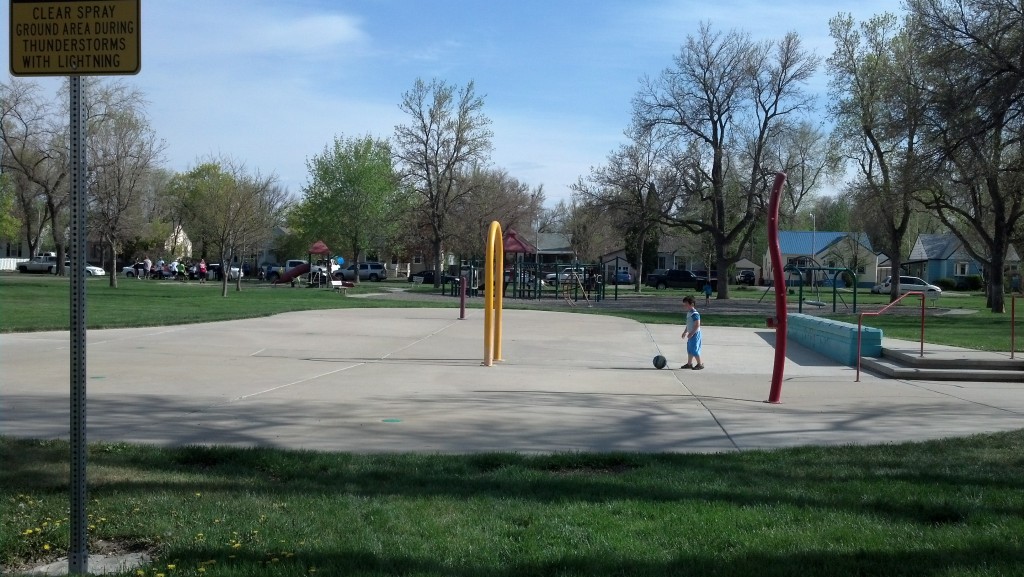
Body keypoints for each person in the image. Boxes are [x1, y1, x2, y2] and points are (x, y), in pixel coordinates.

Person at [680, 295, 704, 370]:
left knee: (694, 349)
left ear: (692, 304)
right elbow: (689, 324)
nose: (685, 306)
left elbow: (697, 324)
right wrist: (685, 332)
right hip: (691, 334)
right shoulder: (689, 313)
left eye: (686, 304)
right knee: (690, 349)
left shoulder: (695, 313)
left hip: (695, 334)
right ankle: (689, 364)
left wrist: (692, 333)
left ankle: (700, 364)